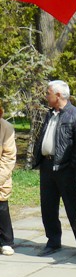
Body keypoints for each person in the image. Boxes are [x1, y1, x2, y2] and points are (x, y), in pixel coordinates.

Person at [33, 80, 76, 257]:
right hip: (47, 166)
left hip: (67, 169)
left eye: (48, 93)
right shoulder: (50, 114)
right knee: (48, 207)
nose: (46, 96)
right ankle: (53, 241)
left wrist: (73, 167)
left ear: (58, 95)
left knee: (74, 207)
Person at [0, 101, 17, 256]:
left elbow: (9, 156)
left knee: (1, 208)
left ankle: (6, 242)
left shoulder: (6, 128)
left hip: (1, 176)